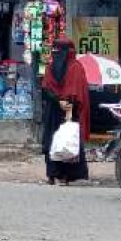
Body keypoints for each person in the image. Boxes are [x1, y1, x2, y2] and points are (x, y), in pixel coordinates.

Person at [41, 36, 91, 185]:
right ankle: (67, 175)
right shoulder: (75, 67)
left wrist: (58, 101)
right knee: (64, 141)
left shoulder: (68, 68)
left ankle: (56, 175)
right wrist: (64, 102)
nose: (57, 55)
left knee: (60, 141)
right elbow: (78, 93)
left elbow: (46, 90)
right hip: (66, 111)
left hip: (60, 111)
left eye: (59, 51)